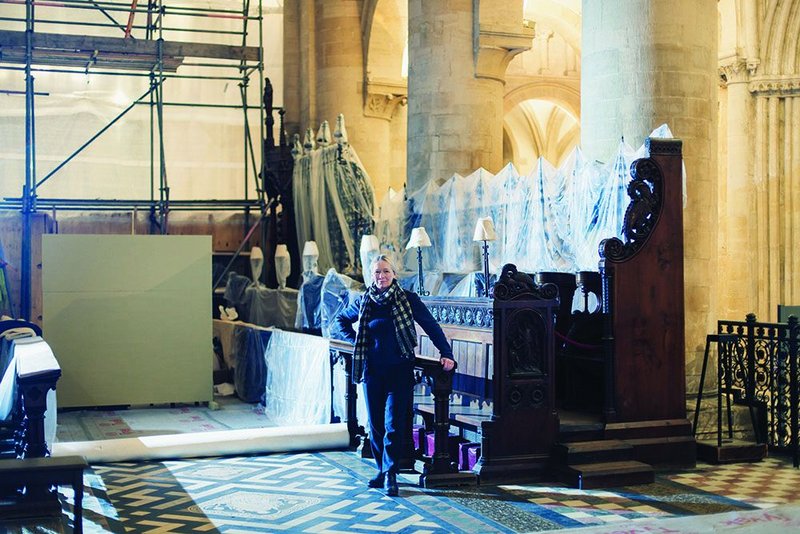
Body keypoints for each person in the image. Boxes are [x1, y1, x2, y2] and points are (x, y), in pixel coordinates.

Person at [333, 254, 455, 497]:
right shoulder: (363, 301)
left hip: (400, 370)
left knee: (394, 424)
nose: (382, 276)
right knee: (376, 424)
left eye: (386, 271)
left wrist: (446, 352)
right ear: (371, 276)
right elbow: (340, 321)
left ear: (394, 274)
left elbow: (431, 326)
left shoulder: (407, 299)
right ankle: (380, 469)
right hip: (372, 372)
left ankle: (391, 473)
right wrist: (357, 345)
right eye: (377, 272)